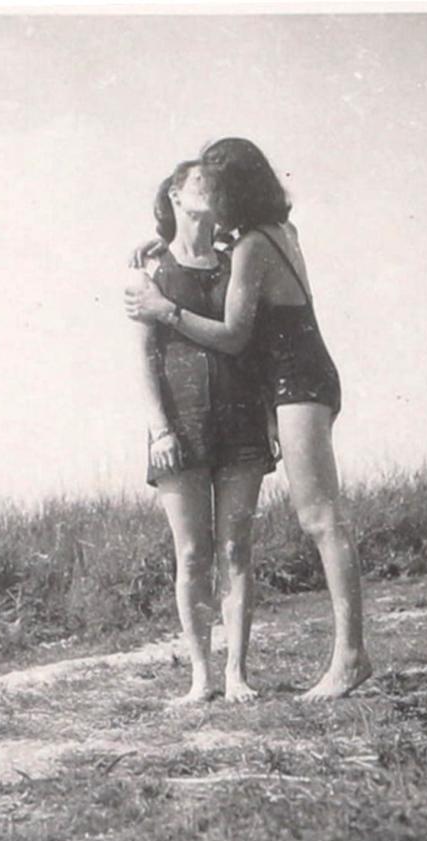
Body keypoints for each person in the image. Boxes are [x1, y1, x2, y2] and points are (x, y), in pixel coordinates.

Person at [125, 138, 372, 701]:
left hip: (295, 381)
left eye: (218, 184)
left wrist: (167, 310)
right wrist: (164, 244)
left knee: (320, 518)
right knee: (320, 517)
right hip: (304, 376)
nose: (211, 195)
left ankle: (351, 658)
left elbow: (236, 336)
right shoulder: (277, 234)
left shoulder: (254, 247)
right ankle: (348, 654)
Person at [126, 159, 275, 705]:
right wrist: (159, 429)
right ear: (174, 195)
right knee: (192, 555)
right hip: (179, 426)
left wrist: (269, 419)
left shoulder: (237, 261)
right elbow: (142, 357)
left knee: (237, 549)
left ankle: (237, 674)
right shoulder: (151, 267)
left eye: (217, 184)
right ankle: (200, 677)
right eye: (198, 183)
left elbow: (252, 347)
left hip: (240, 423)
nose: (209, 189)